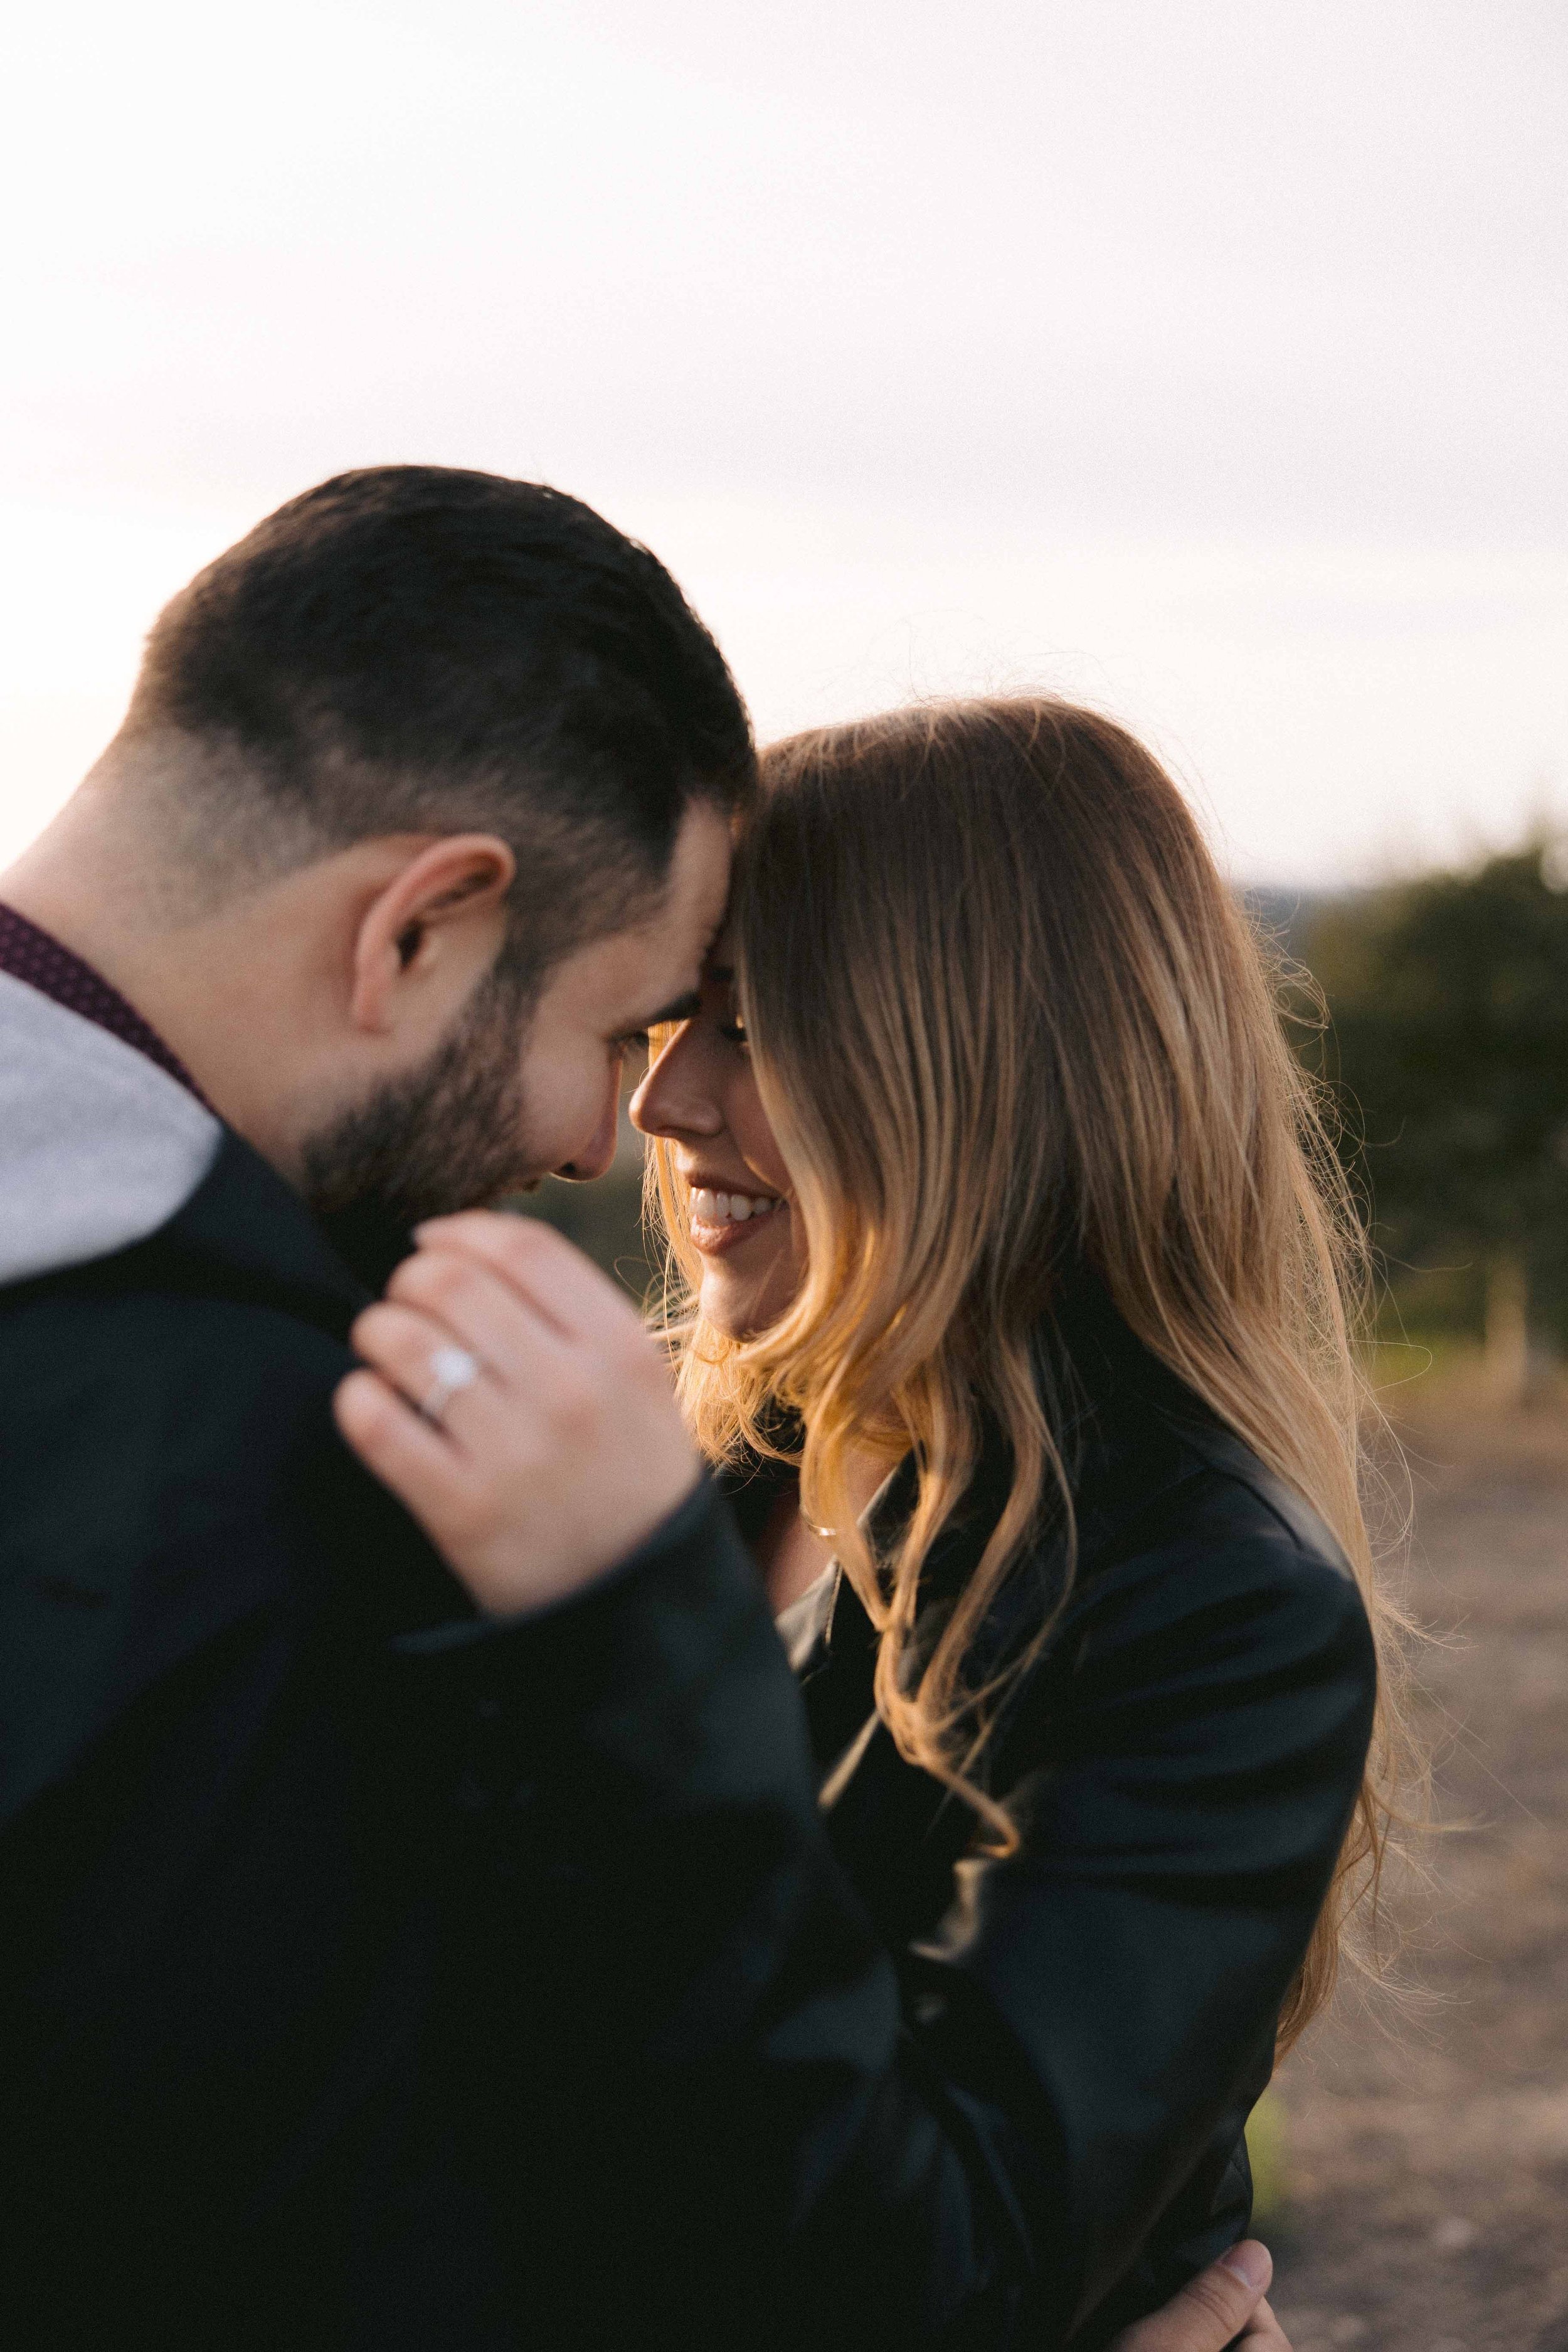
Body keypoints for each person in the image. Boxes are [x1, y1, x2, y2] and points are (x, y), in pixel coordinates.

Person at [0, 472, 1280, 2352]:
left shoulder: (1159, 1576)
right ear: (418, 930)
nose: (606, 1137)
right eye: (626, 1029)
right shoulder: (242, 1443)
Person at [339, 700, 1399, 2344]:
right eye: (676, 1017)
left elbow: (932, 2275)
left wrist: (618, 1650)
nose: (664, 1103)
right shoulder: (682, 1468)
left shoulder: (1198, 1601)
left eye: (755, 1031)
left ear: (986, 1067)